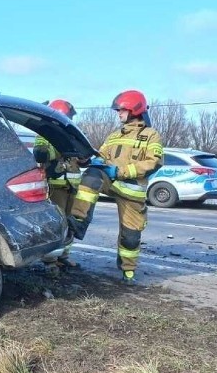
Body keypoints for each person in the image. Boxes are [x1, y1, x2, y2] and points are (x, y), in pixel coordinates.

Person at [67, 90, 163, 285]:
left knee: (131, 237)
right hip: (110, 182)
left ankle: (128, 272)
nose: (118, 114)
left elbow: (154, 162)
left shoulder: (150, 135)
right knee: (92, 176)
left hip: (131, 191)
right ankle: (79, 220)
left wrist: (120, 171)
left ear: (134, 109)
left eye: (121, 110)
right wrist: (88, 160)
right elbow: (101, 156)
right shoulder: (114, 135)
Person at [34, 99, 82, 269]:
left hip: (73, 187)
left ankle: (64, 255)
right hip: (56, 187)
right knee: (56, 224)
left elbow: (80, 159)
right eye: (67, 116)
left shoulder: (72, 134)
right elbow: (40, 154)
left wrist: (83, 156)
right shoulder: (44, 135)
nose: (70, 120)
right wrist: (58, 146)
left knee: (71, 223)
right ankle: (50, 260)